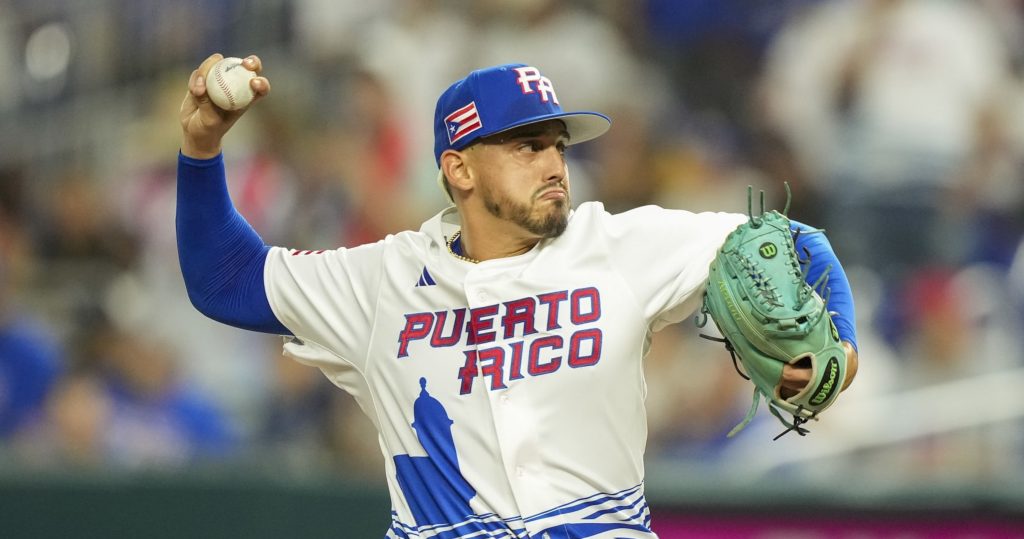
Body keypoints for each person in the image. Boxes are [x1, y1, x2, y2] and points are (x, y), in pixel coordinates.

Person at [177, 54, 859, 538]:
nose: (554, 163)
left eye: (558, 145)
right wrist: (201, 149)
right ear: (459, 167)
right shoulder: (382, 281)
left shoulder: (617, 246)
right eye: (527, 146)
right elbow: (225, 277)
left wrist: (845, 344)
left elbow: (788, 240)